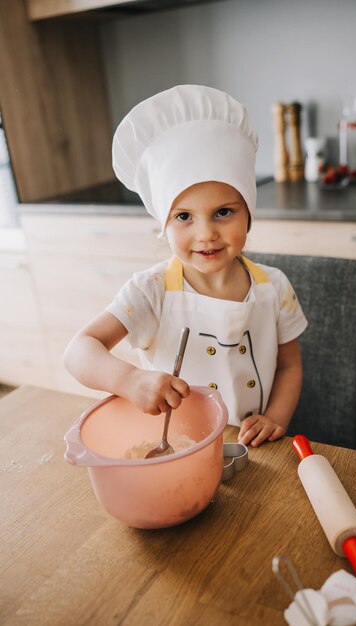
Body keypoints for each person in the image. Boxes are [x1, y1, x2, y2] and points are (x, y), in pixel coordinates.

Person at [64, 85, 307, 447]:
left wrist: (274, 418)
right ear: (164, 223)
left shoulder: (275, 287)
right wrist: (130, 380)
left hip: (251, 449)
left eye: (223, 212)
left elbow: (289, 366)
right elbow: (79, 350)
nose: (206, 233)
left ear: (249, 211)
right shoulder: (151, 291)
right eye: (184, 216)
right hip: (176, 447)